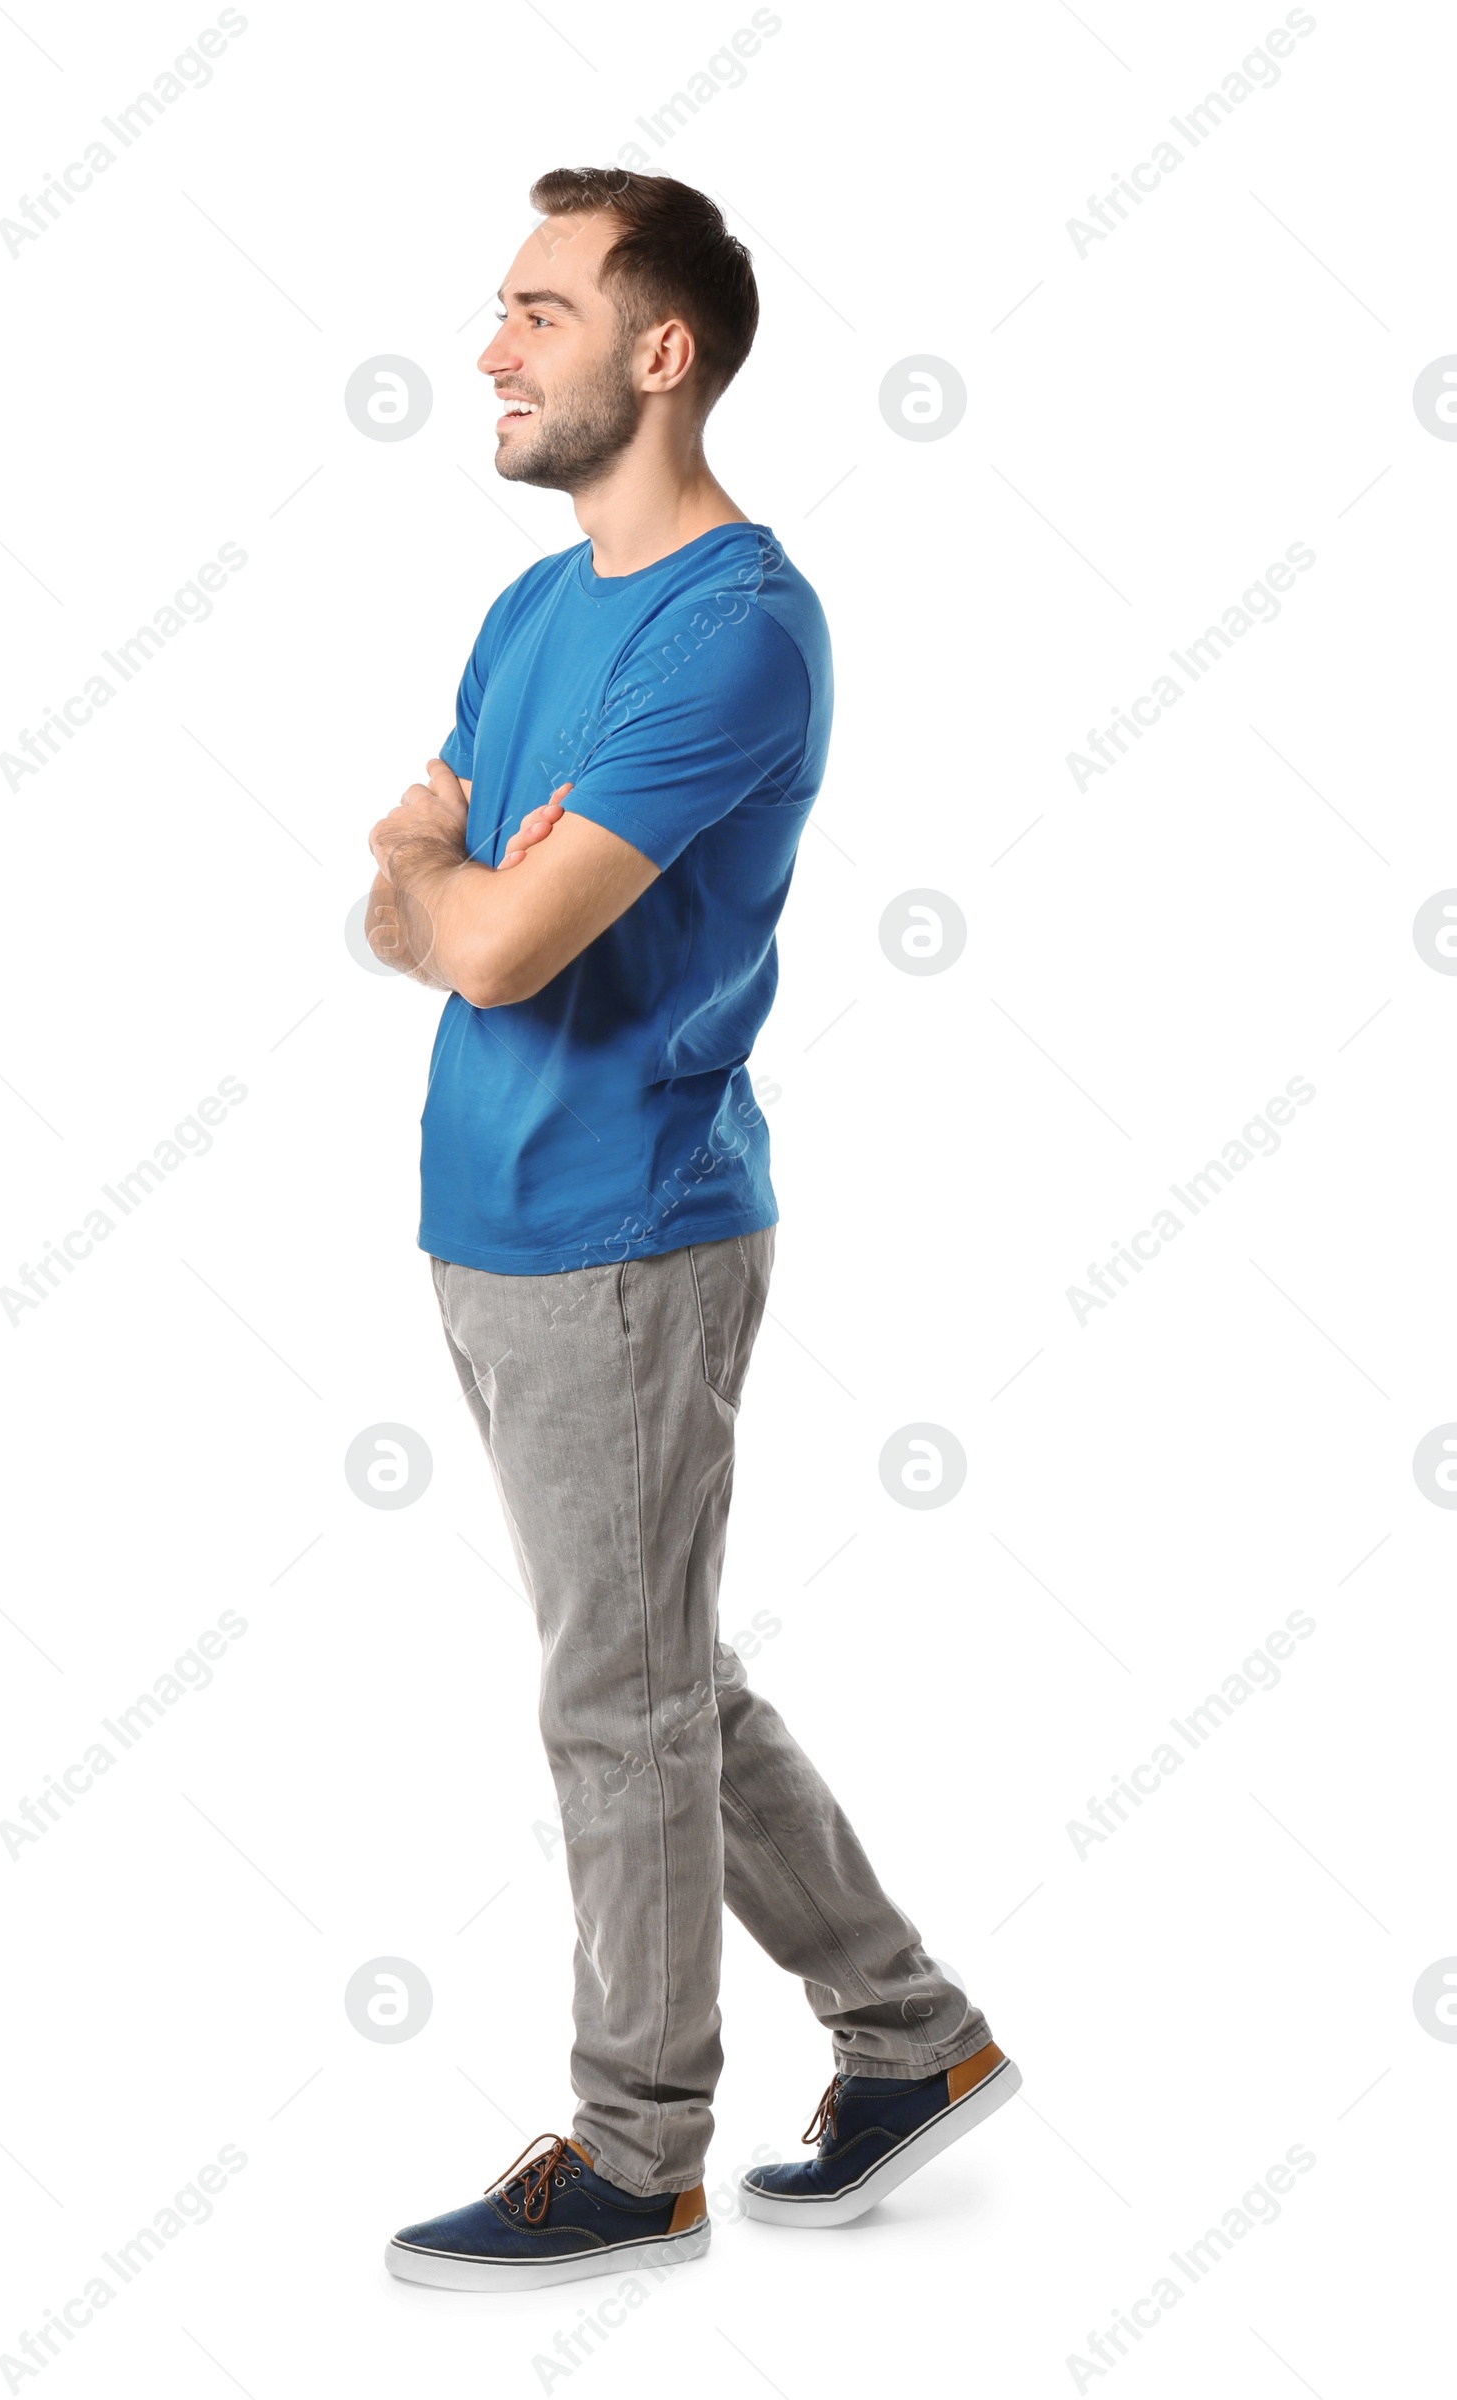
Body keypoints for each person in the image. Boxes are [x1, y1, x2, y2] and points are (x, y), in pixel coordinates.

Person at [366, 168, 1016, 2294]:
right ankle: (910, 2040)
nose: (488, 349)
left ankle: (637, 2149)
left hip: (625, 1232)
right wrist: (452, 887)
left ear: (661, 352)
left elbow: (486, 940)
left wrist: (463, 895)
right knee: (659, 1681)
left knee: (614, 1703)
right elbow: (411, 898)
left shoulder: (733, 625)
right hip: (491, 1219)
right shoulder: (532, 608)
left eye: (535, 311)